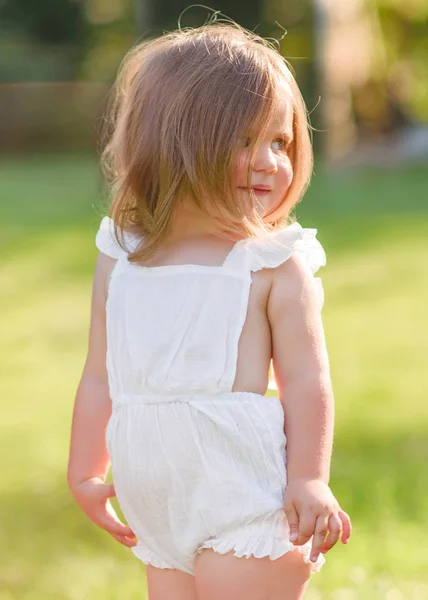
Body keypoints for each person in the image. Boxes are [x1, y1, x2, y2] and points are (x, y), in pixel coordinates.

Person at [67, 17, 352, 600]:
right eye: (243, 140)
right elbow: (100, 374)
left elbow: (306, 381)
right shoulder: (122, 254)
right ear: (172, 141)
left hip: (244, 501)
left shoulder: (271, 262)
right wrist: (86, 470)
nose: (270, 160)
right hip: (159, 508)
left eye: (280, 142)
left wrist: (308, 479)